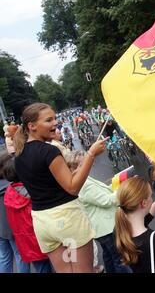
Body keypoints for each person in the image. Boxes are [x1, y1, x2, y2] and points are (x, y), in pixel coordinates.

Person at [13, 103, 108, 273]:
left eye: (55, 118)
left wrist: (79, 167)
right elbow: (72, 187)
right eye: (49, 120)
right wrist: (91, 154)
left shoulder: (19, 155)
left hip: (42, 221)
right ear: (32, 126)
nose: (55, 123)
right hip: (66, 218)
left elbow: (48, 183)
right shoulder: (49, 152)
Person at [64, 150, 130, 273]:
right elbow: (107, 200)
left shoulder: (81, 180)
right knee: (120, 259)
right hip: (106, 228)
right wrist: (124, 189)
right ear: (76, 167)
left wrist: (116, 185)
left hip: (101, 230)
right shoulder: (84, 184)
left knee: (110, 256)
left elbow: (103, 193)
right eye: (85, 163)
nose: (90, 164)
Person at [2, 153, 53, 273]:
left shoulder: (9, 193)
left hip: (26, 244)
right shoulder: (31, 192)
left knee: (42, 268)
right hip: (41, 239)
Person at [0, 151, 29, 273]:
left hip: (1, 231)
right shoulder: (13, 187)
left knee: (4, 259)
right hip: (13, 229)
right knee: (20, 257)